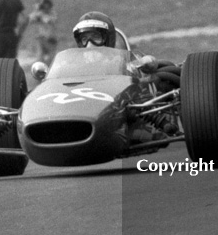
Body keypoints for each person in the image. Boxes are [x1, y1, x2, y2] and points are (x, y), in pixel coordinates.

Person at [72, 11, 180, 140]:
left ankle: (159, 123)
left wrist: (144, 65)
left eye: (95, 37)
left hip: (126, 113)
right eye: (84, 39)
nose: (89, 44)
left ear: (107, 38)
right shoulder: (75, 68)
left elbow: (143, 77)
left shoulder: (124, 62)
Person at [29, 0, 58, 65]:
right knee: (40, 58)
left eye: (47, 6)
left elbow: (49, 20)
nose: (46, 8)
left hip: (51, 39)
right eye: (44, 6)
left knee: (51, 59)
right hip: (41, 38)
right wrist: (36, 10)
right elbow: (31, 20)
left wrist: (40, 15)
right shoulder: (39, 13)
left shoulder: (53, 14)